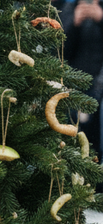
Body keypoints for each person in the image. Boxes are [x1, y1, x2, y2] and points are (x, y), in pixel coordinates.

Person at [61, 0, 103, 154]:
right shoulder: (69, 7)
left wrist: (101, 19)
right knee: (72, 140)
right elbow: (60, 50)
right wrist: (74, 23)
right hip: (74, 87)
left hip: (99, 88)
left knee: (96, 143)